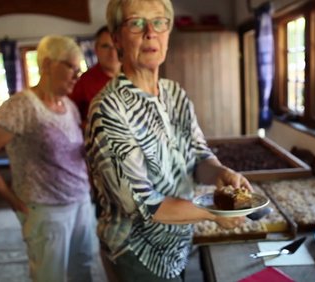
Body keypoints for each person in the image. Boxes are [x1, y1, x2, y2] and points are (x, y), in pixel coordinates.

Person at [84, 0, 252, 281]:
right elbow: (144, 205)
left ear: (168, 31)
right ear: (116, 38)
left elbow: (199, 157)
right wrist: (213, 214)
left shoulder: (175, 94)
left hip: (177, 240)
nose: (150, 32)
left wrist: (221, 172)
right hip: (138, 253)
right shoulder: (109, 109)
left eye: (159, 22)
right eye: (136, 22)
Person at [0, 35, 94, 282]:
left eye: (79, 69)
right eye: (70, 67)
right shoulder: (22, 106)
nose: (77, 75)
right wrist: (10, 198)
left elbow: (67, 151)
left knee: (82, 269)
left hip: (81, 202)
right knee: (49, 276)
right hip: (47, 210)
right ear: (46, 65)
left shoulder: (68, 104)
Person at [70, 26, 121, 125]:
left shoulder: (136, 77)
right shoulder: (83, 83)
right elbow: (73, 123)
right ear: (96, 49)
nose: (112, 52)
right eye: (106, 46)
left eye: (116, 46)